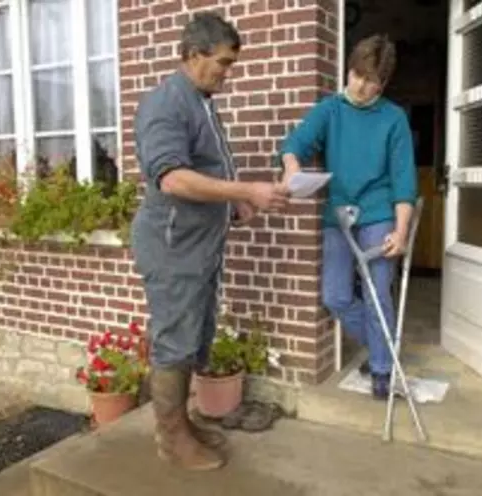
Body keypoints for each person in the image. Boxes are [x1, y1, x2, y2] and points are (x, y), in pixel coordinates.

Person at [130, 12, 288, 471]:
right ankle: (171, 439)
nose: (226, 73)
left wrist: (235, 205)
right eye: (221, 63)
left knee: (194, 337)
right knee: (175, 343)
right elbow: (173, 179)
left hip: (199, 245)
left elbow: (207, 172)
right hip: (173, 246)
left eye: (230, 65)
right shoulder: (166, 103)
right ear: (194, 55)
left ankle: (182, 424)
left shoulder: (201, 101)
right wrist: (245, 191)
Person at [279, 34, 417, 400]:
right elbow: (296, 143)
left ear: (382, 83)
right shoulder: (330, 110)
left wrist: (400, 231)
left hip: (378, 212)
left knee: (376, 292)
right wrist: (291, 167)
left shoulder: (393, 118)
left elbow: (404, 181)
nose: (361, 86)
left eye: (371, 81)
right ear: (349, 71)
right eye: (357, 75)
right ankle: (380, 344)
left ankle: (382, 369)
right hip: (338, 214)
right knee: (335, 295)